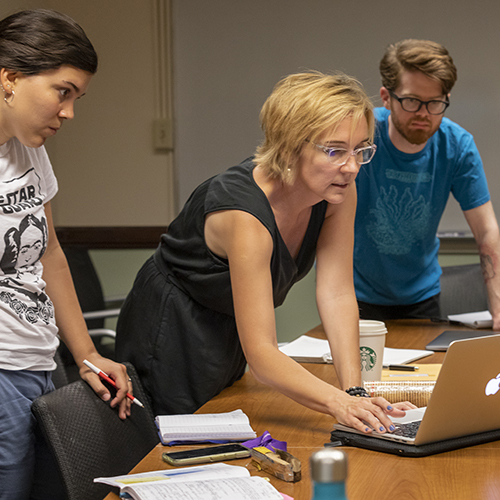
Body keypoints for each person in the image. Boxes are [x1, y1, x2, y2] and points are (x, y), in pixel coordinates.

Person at [116, 71, 415, 435]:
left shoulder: (337, 189)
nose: (351, 167)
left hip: (226, 328)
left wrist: (354, 392)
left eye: (360, 150)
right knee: (177, 445)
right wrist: (339, 404)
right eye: (335, 151)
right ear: (290, 146)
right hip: (172, 330)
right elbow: (261, 354)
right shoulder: (244, 215)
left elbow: (336, 293)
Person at [0, 9, 132, 499]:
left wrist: (86, 354)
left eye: (77, 97)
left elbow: (50, 252)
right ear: (10, 77)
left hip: (39, 356)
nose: (69, 112)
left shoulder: (28, 148)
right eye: (63, 91)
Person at [354, 39, 500, 329]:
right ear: (386, 97)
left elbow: (486, 230)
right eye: (411, 101)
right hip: (355, 294)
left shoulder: (457, 146)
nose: (423, 113)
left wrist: (498, 310)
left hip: (422, 296)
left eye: (434, 103)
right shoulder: (361, 136)